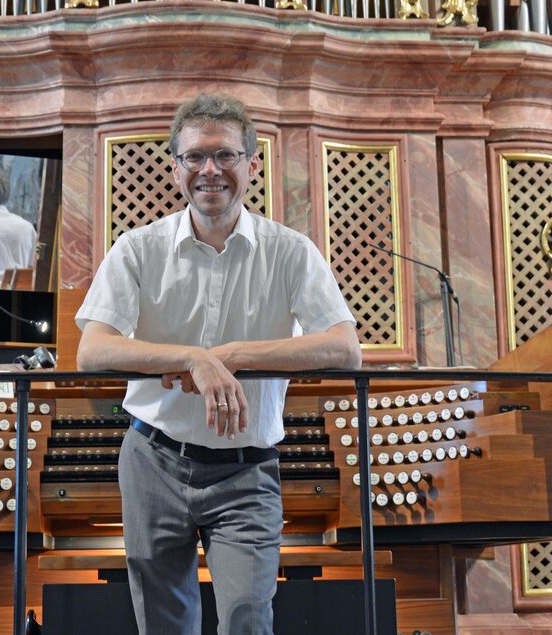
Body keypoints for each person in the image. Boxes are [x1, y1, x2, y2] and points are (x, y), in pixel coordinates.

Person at [75, 93, 361, 635]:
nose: (210, 169)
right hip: (154, 459)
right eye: (195, 157)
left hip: (246, 469)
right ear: (176, 168)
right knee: (163, 625)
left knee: (247, 619)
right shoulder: (138, 248)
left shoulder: (291, 251)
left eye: (225, 155)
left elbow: (344, 348)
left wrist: (231, 356)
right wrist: (192, 358)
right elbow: (93, 350)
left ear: (251, 165)